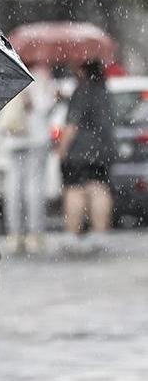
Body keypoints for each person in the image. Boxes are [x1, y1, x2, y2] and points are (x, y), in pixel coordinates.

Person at [56, 59, 115, 249]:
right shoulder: (104, 89)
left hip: (79, 151)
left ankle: (72, 234)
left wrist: (62, 149)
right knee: (99, 189)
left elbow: (73, 125)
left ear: (83, 70)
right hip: (102, 149)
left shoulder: (81, 90)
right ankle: (100, 234)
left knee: (75, 191)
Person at [1, 63, 56, 254]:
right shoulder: (41, 75)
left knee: (13, 185)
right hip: (36, 137)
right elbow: (45, 106)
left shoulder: (9, 70)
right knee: (34, 186)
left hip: (14, 137)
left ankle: (14, 234)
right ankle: (34, 234)